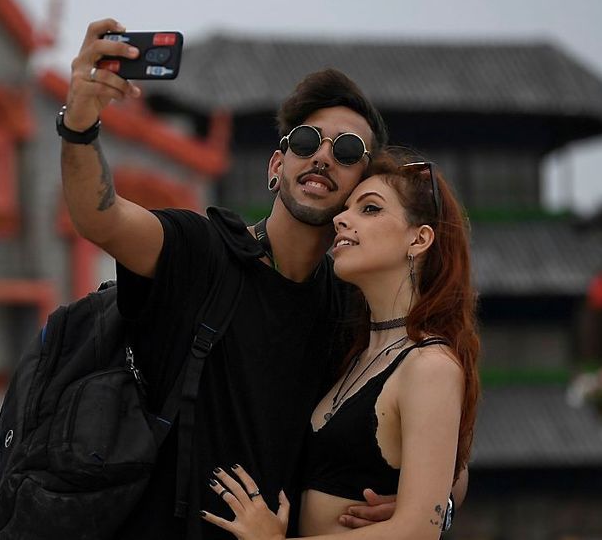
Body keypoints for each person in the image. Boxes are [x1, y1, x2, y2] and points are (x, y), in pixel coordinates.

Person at [60, 18, 452, 539]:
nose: (323, 156)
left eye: (348, 151)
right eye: (308, 140)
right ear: (276, 164)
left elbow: (442, 442)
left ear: (364, 185)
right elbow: (99, 217)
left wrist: (433, 505)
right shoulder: (201, 253)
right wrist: (81, 122)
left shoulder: (359, 307)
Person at [199, 155, 480, 540]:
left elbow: (417, 529)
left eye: (369, 209)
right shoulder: (357, 350)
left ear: (419, 238)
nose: (341, 220)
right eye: (346, 209)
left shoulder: (430, 365)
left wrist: (437, 507)